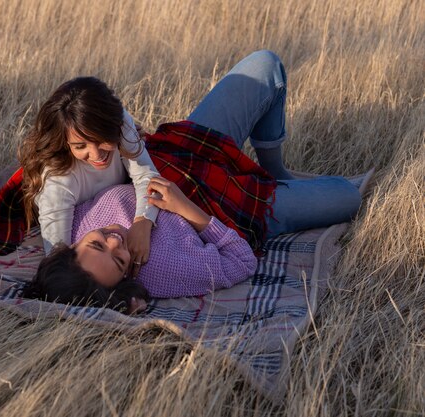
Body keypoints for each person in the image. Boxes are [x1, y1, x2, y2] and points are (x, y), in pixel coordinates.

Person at [23, 50, 362, 314]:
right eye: (120, 259)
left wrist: (143, 220)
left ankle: (276, 170)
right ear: (125, 276)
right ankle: (272, 188)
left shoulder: (73, 226)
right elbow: (242, 261)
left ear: (74, 248)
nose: (115, 240)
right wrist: (187, 210)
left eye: (97, 244)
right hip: (232, 205)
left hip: (182, 157)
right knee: (348, 198)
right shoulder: (164, 270)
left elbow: (54, 240)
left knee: (265, 65)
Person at [19, 77, 161, 276]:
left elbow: (147, 175)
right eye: (80, 146)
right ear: (64, 143)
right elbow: (58, 256)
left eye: (102, 141)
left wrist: (143, 223)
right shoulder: (57, 181)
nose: (96, 155)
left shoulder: (120, 124)